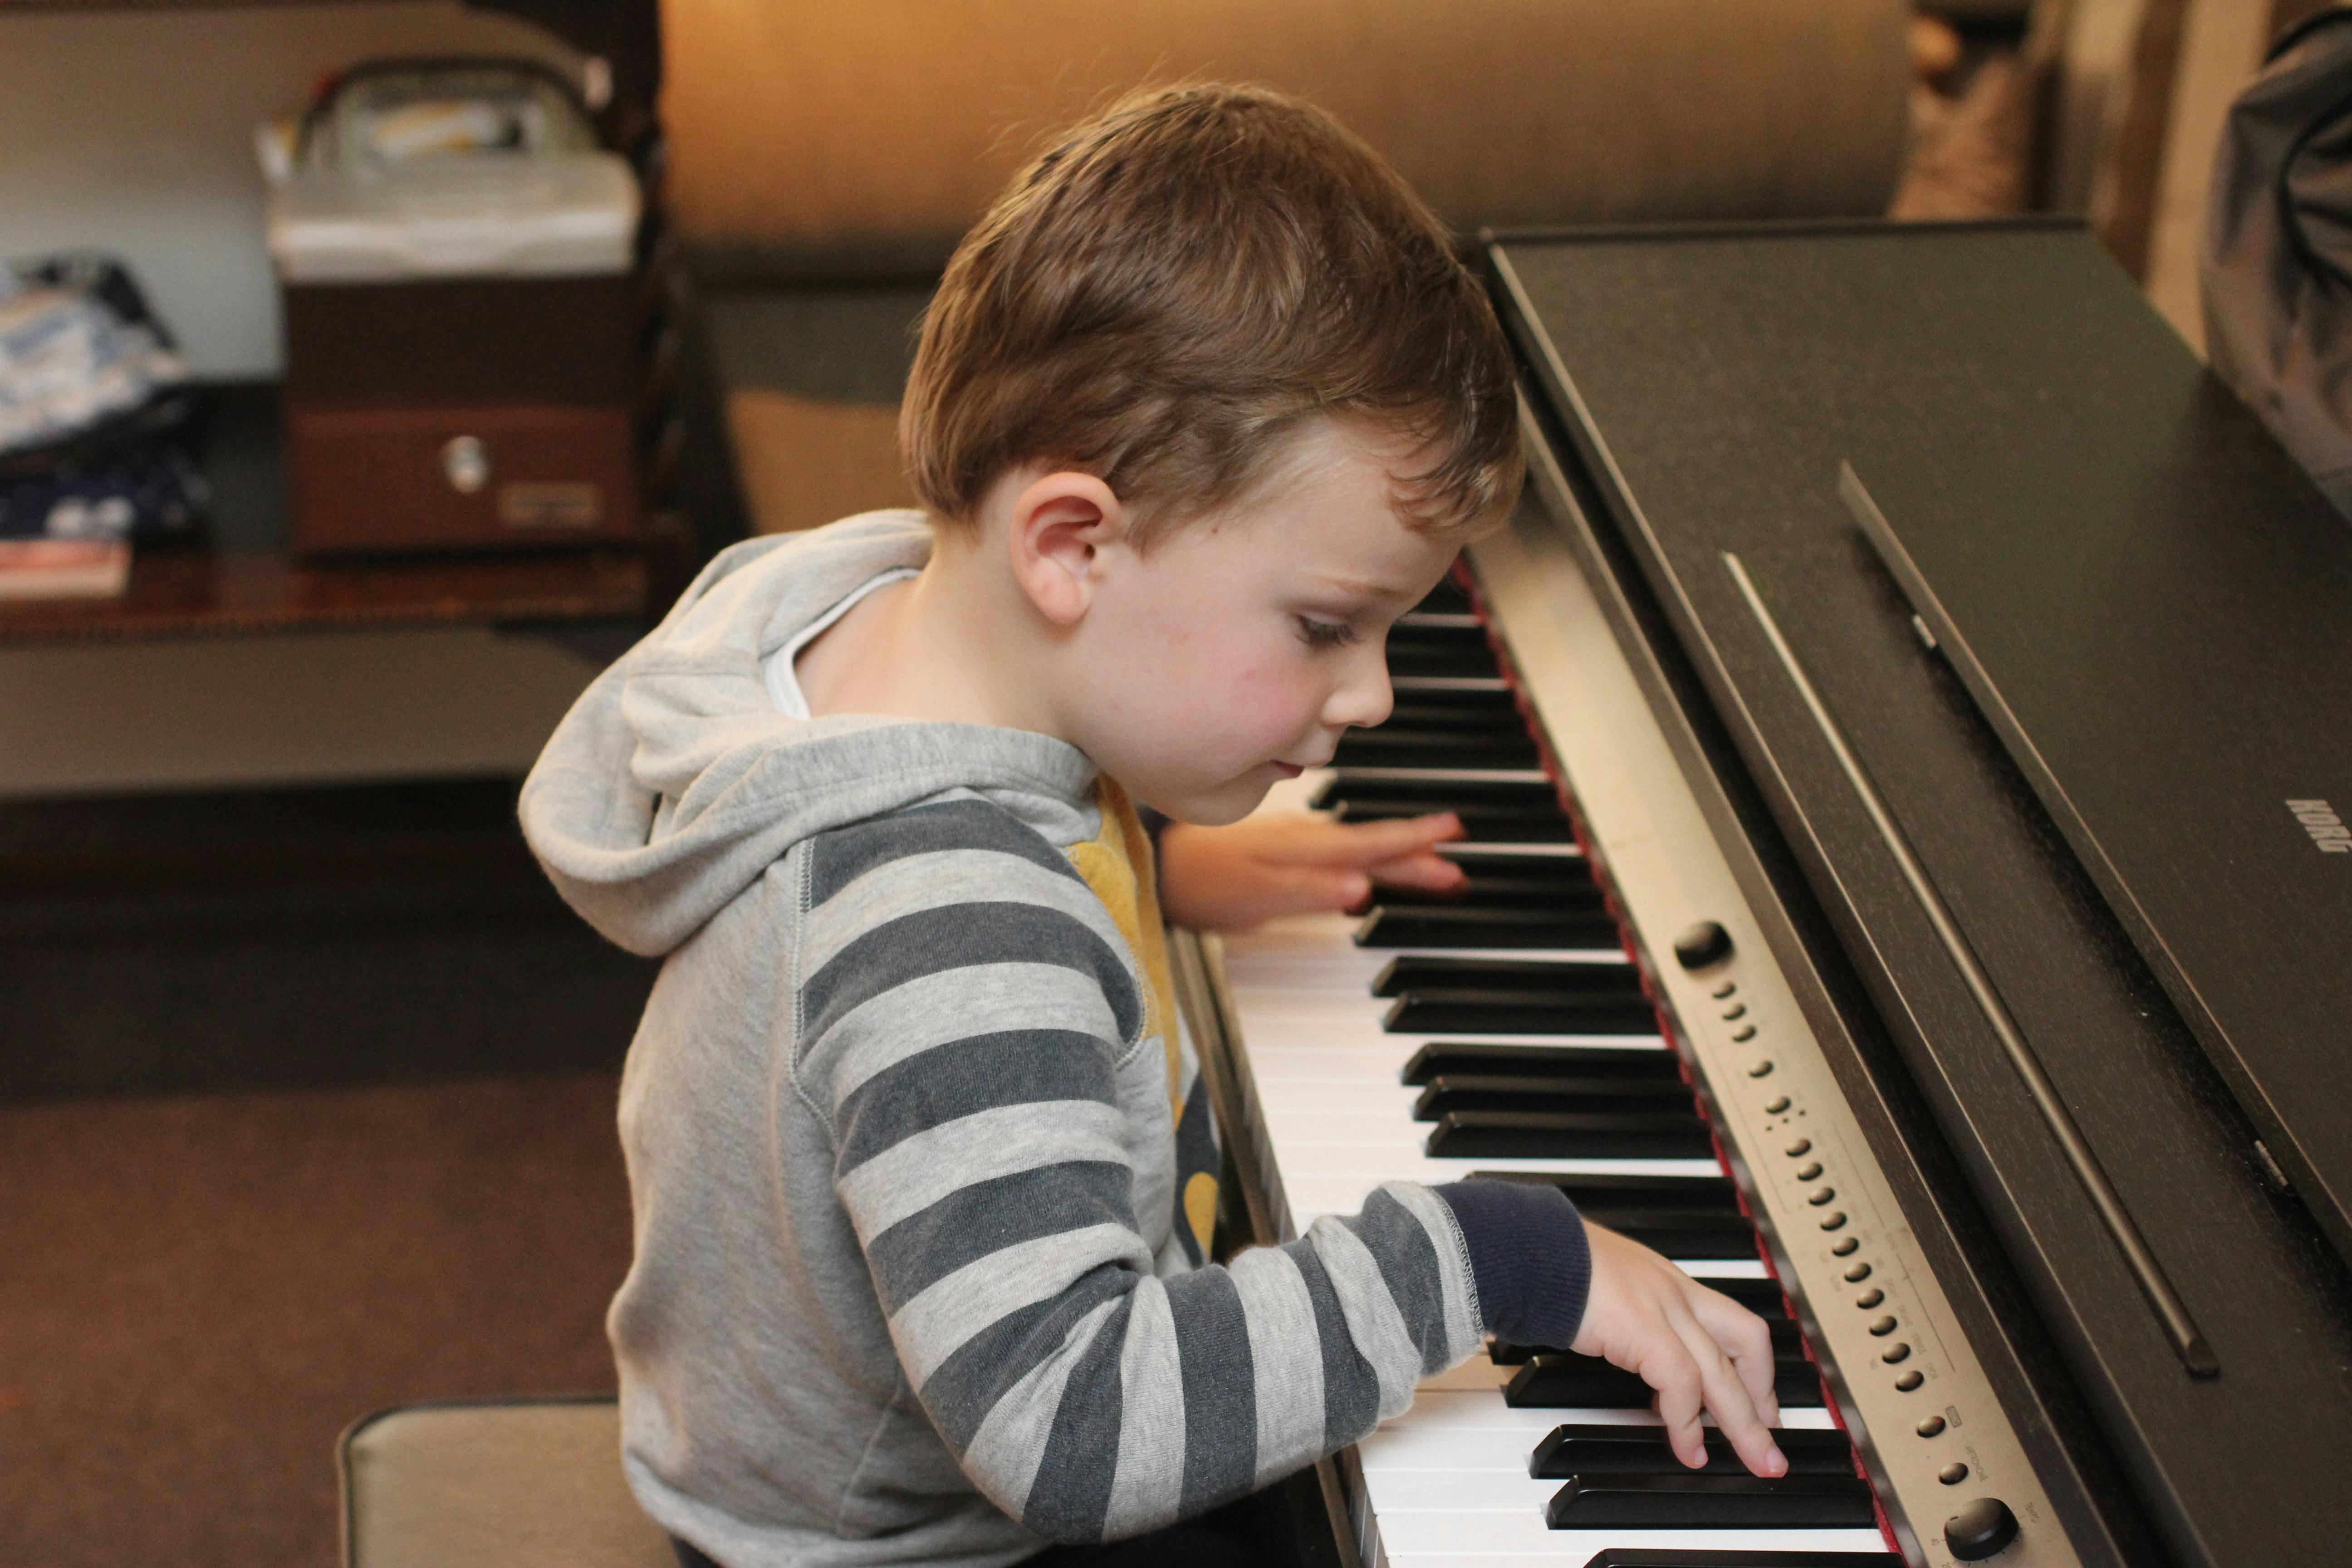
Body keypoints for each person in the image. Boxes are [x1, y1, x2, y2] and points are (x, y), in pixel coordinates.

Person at [521, 83, 1787, 1568]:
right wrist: (1491, 1255)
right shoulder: (949, 921)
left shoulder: (846, 611)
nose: (1373, 696)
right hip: (906, 1543)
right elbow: (1074, 1432)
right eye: (1327, 625)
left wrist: (1164, 868)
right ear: (1072, 545)